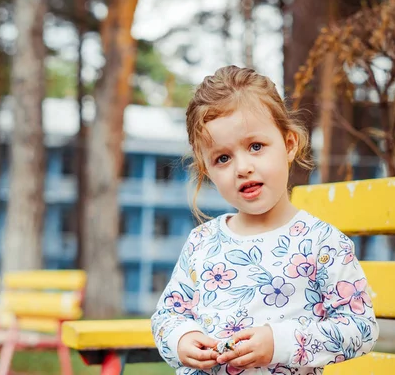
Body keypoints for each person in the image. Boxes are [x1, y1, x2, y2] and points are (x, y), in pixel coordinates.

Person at [151, 65, 378, 375]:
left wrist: (280, 343)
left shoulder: (321, 243)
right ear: (207, 170)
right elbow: (167, 315)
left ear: (288, 143)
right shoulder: (202, 242)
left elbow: (360, 328)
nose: (242, 167)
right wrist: (182, 338)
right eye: (223, 158)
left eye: (255, 147)